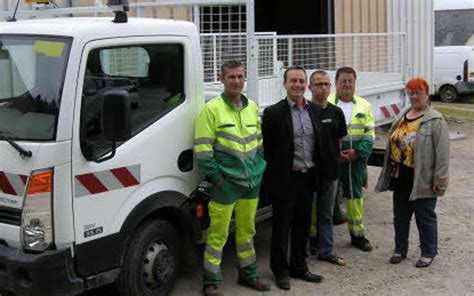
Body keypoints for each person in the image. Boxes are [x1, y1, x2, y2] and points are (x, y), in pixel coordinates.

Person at [194, 60, 270, 296]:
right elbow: (203, 152)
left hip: (251, 184)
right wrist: (218, 179)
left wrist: (259, 170)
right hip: (225, 184)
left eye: (240, 76)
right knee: (218, 235)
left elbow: (259, 145)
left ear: (244, 78)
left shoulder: (251, 107)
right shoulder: (211, 110)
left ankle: (248, 275)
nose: (236, 81)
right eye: (231, 77)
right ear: (222, 79)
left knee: (248, 232)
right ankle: (211, 281)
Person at [375, 77, 449, 268]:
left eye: (419, 93)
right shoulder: (403, 114)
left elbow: (442, 155)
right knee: (400, 216)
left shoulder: (435, 120)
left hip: (421, 177)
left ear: (427, 95)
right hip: (399, 175)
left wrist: (439, 179)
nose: (415, 96)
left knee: (425, 216)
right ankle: (400, 249)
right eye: (411, 93)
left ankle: (429, 252)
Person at [262, 66, 324, 291]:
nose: (298, 85)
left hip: (308, 179)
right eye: (293, 81)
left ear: (306, 84)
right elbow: (268, 150)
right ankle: (280, 270)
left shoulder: (314, 111)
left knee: (302, 225)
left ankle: (299, 266)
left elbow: (319, 144)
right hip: (285, 180)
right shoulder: (274, 113)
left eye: (301, 81)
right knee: (281, 227)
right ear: (285, 84)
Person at [328, 66, 375, 252]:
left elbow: (370, 134)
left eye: (350, 81)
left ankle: (357, 235)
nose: (347, 84)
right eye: (343, 81)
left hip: (354, 160)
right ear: (336, 83)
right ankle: (316, 237)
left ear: (355, 83)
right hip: (331, 158)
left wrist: (357, 152)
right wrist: (333, 152)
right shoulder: (327, 103)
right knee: (323, 198)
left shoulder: (364, 105)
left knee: (354, 198)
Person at [308, 70, 347, 266]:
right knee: (305, 213)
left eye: (326, 84)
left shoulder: (336, 112)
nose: (323, 88)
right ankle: (303, 252)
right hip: (308, 173)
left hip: (331, 173)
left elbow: (339, 140)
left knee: (326, 213)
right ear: (310, 88)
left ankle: (327, 250)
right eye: (319, 84)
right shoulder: (304, 111)